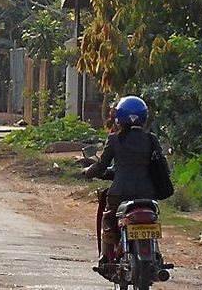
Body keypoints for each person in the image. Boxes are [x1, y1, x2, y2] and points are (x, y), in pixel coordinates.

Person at [84, 95, 163, 279]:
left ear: (119, 117)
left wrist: (88, 171)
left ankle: (105, 258)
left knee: (109, 222)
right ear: (144, 117)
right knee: (153, 219)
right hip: (147, 193)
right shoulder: (151, 139)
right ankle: (156, 255)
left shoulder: (114, 140)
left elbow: (101, 167)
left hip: (120, 193)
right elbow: (161, 168)